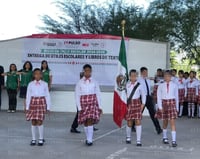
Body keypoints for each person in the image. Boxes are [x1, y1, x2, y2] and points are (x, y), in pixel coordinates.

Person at [75, 64, 102, 146]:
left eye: (89, 71)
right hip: (83, 103)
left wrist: (100, 106)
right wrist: (79, 107)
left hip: (92, 102)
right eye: (85, 71)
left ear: (91, 71)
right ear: (83, 71)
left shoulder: (95, 81)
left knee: (90, 119)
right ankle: (87, 138)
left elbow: (98, 94)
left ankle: (90, 140)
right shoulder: (79, 82)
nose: (87, 72)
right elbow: (77, 95)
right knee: (85, 121)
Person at [26, 68, 50, 146]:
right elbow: (28, 96)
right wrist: (27, 107)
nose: (38, 75)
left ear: (41, 75)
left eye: (39, 73)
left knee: (40, 121)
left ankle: (40, 138)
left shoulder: (45, 84)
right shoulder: (30, 84)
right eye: (36, 73)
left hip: (41, 102)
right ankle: (33, 139)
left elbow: (47, 96)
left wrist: (48, 107)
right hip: (33, 102)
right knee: (33, 121)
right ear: (33, 75)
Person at [155, 70, 179, 147]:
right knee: (165, 122)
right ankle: (164, 137)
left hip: (172, 104)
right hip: (164, 104)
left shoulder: (174, 85)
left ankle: (174, 140)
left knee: (172, 122)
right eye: (165, 76)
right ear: (164, 77)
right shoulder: (161, 85)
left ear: (171, 77)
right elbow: (158, 97)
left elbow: (176, 97)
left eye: (168, 76)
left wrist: (177, 108)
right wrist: (160, 107)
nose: (167, 77)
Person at [137, 67, 162, 134]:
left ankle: (158, 128)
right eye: (144, 72)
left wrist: (153, 78)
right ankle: (134, 125)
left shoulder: (148, 79)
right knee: (139, 113)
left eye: (147, 72)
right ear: (141, 73)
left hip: (148, 98)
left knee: (153, 113)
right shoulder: (138, 80)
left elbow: (156, 79)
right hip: (141, 98)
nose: (146, 74)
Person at [125, 69, 146, 146]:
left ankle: (138, 140)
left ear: (137, 76)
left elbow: (143, 95)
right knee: (129, 122)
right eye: (132, 76)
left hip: (137, 104)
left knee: (138, 121)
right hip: (129, 104)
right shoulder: (127, 85)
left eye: (135, 76)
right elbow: (124, 95)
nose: (133, 77)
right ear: (129, 77)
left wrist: (143, 104)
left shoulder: (140, 85)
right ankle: (128, 137)